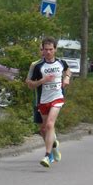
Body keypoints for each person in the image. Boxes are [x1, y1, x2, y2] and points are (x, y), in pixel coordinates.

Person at [26, 37, 71, 168]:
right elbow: (29, 84)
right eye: (45, 49)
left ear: (55, 49)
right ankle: (54, 145)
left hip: (57, 97)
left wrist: (66, 78)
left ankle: (47, 155)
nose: (48, 52)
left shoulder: (61, 62)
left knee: (50, 125)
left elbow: (67, 70)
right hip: (42, 100)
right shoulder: (37, 66)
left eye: (51, 49)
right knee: (43, 129)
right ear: (42, 50)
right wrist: (42, 81)